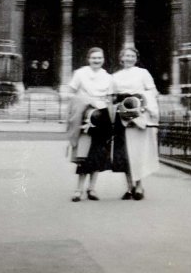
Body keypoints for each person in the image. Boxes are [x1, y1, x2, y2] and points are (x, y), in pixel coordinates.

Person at [111, 46, 159, 200]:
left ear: (136, 58)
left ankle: (139, 186)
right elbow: (111, 96)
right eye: (127, 56)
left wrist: (143, 103)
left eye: (132, 56)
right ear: (121, 58)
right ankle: (129, 187)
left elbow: (153, 91)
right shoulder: (115, 76)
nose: (130, 58)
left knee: (137, 151)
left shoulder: (142, 73)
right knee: (125, 153)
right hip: (122, 115)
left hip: (138, 114)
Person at [67, 47, 113, 202]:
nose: (97, 61)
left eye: (99, 58)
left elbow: (110, 97)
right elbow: (71, 92)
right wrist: (84, 101)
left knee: (98, 153)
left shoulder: (107, 76)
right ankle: (78, 189)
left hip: (102, 116)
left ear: (103, 59)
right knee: (84, 153)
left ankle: (92, 188)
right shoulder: (80, 73)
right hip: (85, 115)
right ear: (88, 59)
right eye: (94, 58)